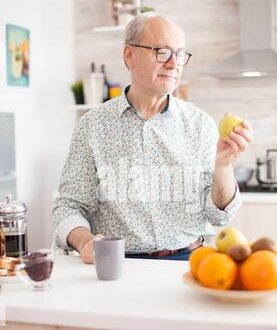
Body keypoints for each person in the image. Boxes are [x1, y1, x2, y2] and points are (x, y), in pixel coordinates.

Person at [52, 14, 253, 263]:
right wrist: (84, 241)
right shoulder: (92, 126)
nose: (173, 64)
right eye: (162, 52)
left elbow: (219, 217)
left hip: (190, 260)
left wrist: (223, 165)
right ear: (129, 56)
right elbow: (68, 206)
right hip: (121, 263)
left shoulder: (200, 125)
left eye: (179, 54)